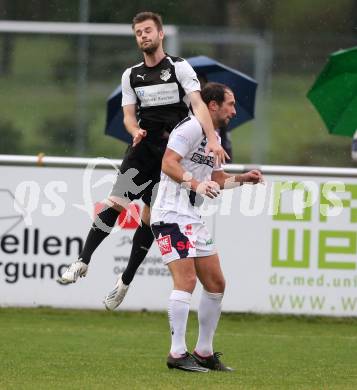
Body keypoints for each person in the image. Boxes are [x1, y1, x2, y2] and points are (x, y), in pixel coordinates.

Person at [57, 12, 228, 309]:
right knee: (115, 203)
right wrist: (134, 129)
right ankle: (82, 261)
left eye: (148, 31)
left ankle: (124, 282)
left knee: (149, 218)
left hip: (172, 156)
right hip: (142, 150)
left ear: (160, 34)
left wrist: (213, 139)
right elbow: (127, 115)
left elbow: (199, 104)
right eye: (138, 33)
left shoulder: (179, 67)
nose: (143, 36)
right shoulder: (131, 75)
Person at [150, 82, 263, 372]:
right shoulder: (189, 128)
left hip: (190, 216)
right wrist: (197, 184)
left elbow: (218, 178)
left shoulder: (216, 136)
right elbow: (168, 164)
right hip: (169, 214)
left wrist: (243, 179)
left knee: (216, 284)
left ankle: (203, 352)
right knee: (186, 282)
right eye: (231, 104)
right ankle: (176, 354)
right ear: (212, 105)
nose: (234, 111)